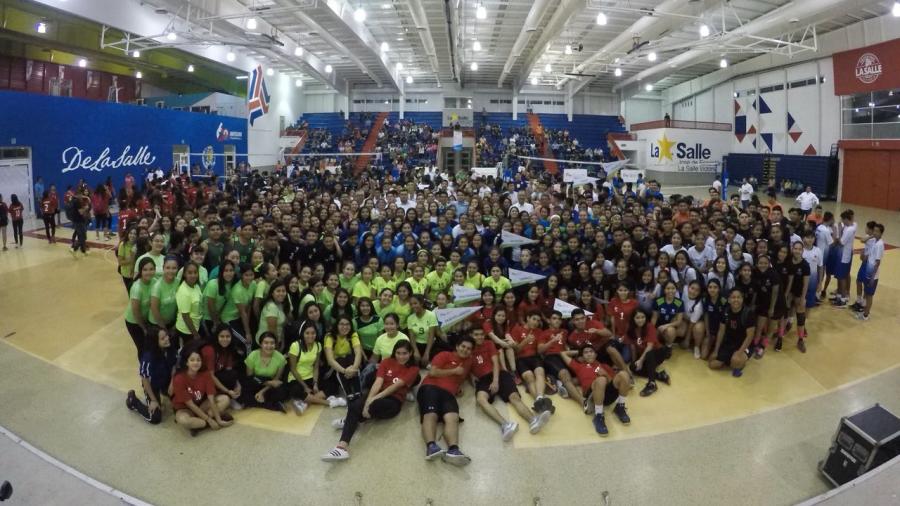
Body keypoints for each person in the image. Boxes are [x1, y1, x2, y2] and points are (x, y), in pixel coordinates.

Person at [322, 341, 420, 461]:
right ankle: (341, 447)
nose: (401, 356)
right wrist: (368, 401)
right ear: (394, 352)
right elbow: (378, 382)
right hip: (378, 394)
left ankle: (352, 421)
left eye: (404, 353)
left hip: (393, 401)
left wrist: (370, 402)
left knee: (372, 405)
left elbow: (394, 387)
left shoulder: (413, 369)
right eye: (398, 353)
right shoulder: (387, 362)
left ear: (410, 353)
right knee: (354, 404)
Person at [470, 326, 551, 440]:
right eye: (476, 334)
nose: (479, 337)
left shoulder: (489, 344)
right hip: (483, 379)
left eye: (481, 334)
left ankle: (533, 420)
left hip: (499, 374)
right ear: (471, 336)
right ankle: (506, 425)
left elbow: (496, 363)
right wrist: (471, 375)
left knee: (514, 397)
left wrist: (495, 381)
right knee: (480, 399)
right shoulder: (468, 348)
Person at [417, 335, 475, 465]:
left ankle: (453, 450)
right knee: (431, 414)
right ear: (457, 346)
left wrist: (459, 386)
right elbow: (432, 372)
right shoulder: (444, 355)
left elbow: (462, 377)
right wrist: (454, 371)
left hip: (449, 393)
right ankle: (431, 447)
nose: (465, 350)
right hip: (430, 387)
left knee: (453, 418)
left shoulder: (468, 362)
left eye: (469, 348)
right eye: (463, 346)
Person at [559, 345, 632, 436]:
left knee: (624, 374)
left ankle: (620, 407)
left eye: (591, 352)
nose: (589, 354)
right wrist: (579, 352)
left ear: (596, 355)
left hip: (607, 394)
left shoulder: (604, 366)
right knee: (601, 380)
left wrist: (606, 374)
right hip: (592, 395)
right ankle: (598, 415)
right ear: (582, 357)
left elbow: (614, 383)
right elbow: (563, 353)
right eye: (586, 352)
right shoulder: (579, 366)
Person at [171, 342, 233, 436]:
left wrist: (219, 421)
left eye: (198, 360)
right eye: (192, 360)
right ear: (187, 362)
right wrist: (209, 420)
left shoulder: (206, 374)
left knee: (225, 399)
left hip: (201, 405)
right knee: (184, 421)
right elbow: (190, 405)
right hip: (185, 409)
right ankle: (204, 423)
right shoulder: (179, 378)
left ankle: (199, 425)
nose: (196, 363)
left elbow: (211, 399)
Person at [126, 326, 177, 424]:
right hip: (152, 385)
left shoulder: (170, 348)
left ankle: (164, 391)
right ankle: (133, 402)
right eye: (162, 338)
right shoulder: (148, 358)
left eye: (166, 335)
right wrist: (154, 400)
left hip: (167, 379)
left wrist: (172, 383)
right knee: (155, 417)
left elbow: (174, 365)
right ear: (155, 342)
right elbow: (145, 379)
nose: (167, 339)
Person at [510, 311, 555, 415]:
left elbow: (539, 351)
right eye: (534, 319)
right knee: (529, 377)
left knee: (540, 372)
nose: (536, 322)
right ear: (528, 318)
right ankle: (541, 402)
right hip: (521, 359)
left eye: (538, 320)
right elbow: (516, 350)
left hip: (535, 357)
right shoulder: (517, 329)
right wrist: (525, 341)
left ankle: (539, 398)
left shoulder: (539, 331)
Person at [709, 289, 755, 377]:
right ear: (729, 300)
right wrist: (716, 350)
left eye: (739, 297)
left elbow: (750, 336)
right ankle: (728, 359)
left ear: (742, 299)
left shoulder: (748, 313)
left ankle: (740, 359)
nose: (736, 300)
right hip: (729, 343)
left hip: (745, 344)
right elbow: (721, 331)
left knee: (735, 361)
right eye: (733, 297)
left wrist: (739, 352)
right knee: (712, 364)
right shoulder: (726, 311)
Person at [241, 332, 289, 411]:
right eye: (266, 343)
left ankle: (254, 402)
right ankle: (273, 405)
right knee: (244, 389)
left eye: (272, 343)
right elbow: (250, 378)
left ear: (275, 344)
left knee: (282, 390)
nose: (269, 346)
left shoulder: (280, 358)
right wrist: (269, 383)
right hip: (255, 382)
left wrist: (262, 392)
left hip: (268, 387)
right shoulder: (253, 355)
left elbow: (275, 381)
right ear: (260, 344)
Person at [125, 258, 156, 358]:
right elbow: (136, 312)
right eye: (145, 269)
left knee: (150, 346)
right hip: (134, 322)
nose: (148, 272)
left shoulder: (155, 281)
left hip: (145, 319)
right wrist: (144, 328)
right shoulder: (137, 287)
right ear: (140, 271)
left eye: (151, 269)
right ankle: (144, 369)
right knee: (142, 347)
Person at [854, 223, 884, 321]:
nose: (875, 233)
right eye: (874, 231)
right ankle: (864, 311)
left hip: (872, 275)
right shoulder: (875, 241)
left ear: (881, 233)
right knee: (867, 293)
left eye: (877, 231)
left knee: (869, 295)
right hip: (868, 271)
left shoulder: (879, 245)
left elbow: (878, 262)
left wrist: (872, 277)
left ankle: (866, 315)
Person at [832, 210, 856, 307]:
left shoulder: (850, 229)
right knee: (839, 276)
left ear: (846, 219)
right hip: (842, 255)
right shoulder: (848, 227)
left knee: (842, 277)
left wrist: (837, 237)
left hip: (844, 256)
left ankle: (843, 299)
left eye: (843, 219)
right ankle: (839, 295)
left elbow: (841, 242)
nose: (842, 221)